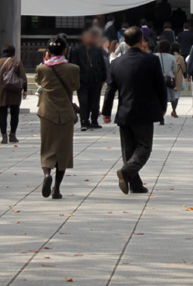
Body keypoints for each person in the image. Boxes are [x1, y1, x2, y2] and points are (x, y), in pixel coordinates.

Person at [101, 26, 168, 194]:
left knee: (128, 149)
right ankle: (127, 171)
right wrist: (163, 106)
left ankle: (135, 184)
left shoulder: (116, 63)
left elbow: (110, 89)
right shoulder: (151, 60)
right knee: (144, 147)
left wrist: (106, 111)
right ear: (141, 40)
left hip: (125, 110)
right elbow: (160, 85)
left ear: (124, 41)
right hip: (144, 110)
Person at [36, 35, 81, 199]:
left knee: (47, 148)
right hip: (65, 114)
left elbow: (38, 82)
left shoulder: (42, 69)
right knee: (63, 151)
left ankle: (47, 174)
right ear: (64, 50)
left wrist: (46, 60)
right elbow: (75, 86)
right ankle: (56, 189)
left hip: (47, 113)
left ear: (48, 51)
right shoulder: (73, 69)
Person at [0, 44, 27, 144]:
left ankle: (4, 136)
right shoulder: (17, 62)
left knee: (2, 114)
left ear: (3, 52)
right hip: (15, 92)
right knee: (14, 114)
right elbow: (23, 77)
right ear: (13, 52)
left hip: (1, 92)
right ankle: (12, 135)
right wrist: (25, 90)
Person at [73, 27, 108, 131]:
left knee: (95, 101)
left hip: (96, 79)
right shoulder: (77, 50)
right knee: (84, 102)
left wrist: (103, 77)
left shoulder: (97, 49)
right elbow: (74, 66)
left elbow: (102, 64)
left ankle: (94, 120)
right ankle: (84, 121)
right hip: (82, 80)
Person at [157, 39, 186, 119]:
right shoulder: (171, 57)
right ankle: (174, 110)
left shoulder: (155, 56)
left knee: (160, 97)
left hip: (158, 78)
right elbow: (175, 70)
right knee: (172, 96)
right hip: (169, 79)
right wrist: (175, 80)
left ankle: (161, 114)